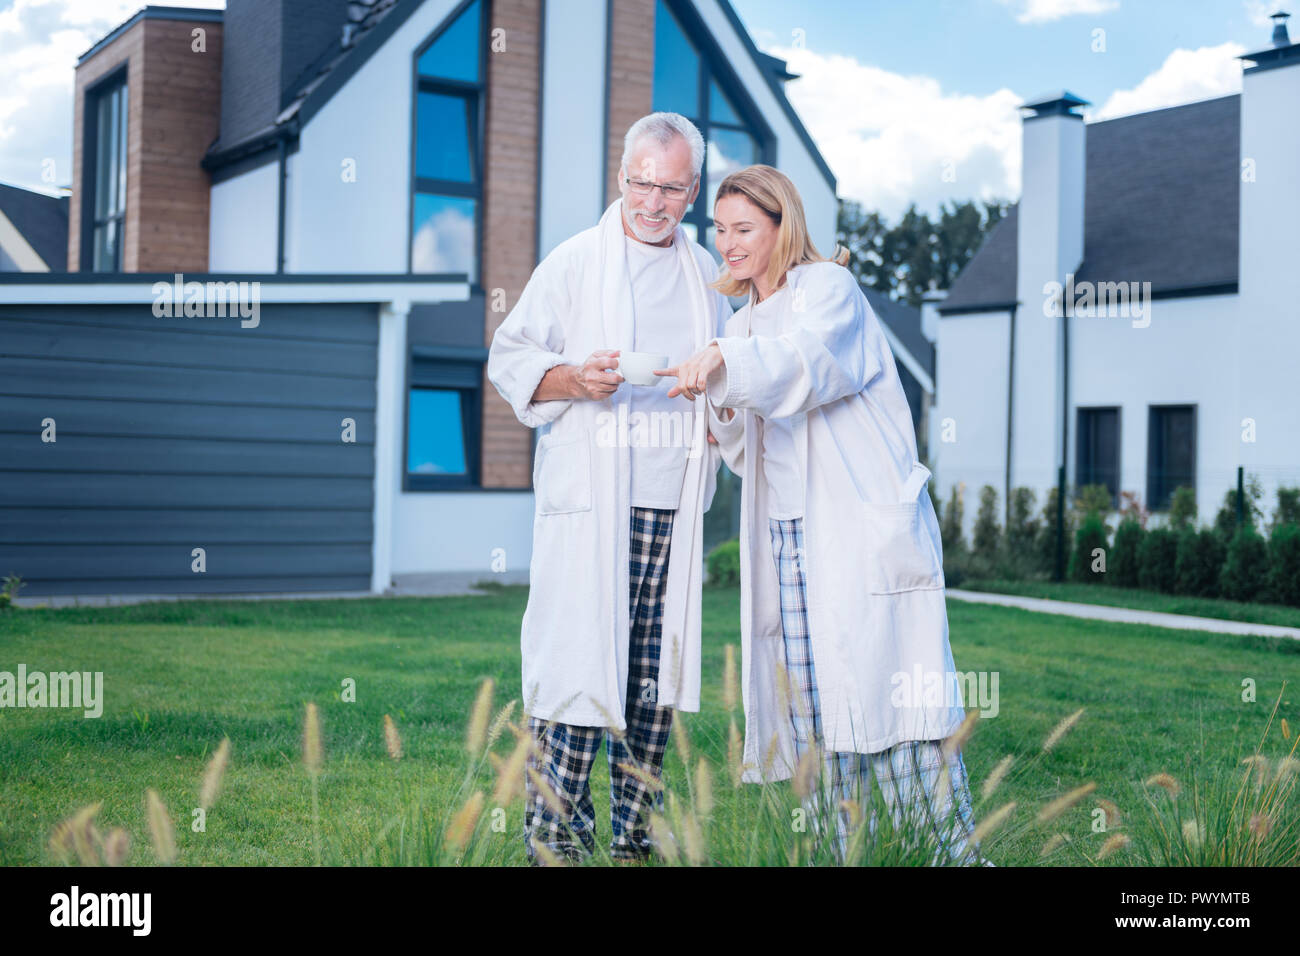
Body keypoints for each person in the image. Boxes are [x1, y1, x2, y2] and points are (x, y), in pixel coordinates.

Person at [658, 164, 986, 864]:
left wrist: (721, 358)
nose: (729, 243)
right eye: (720, 229)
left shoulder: (829, 292)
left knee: (895, 704)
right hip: (786, 538)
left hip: (856, 532)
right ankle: (844, 851)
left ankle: (946, 854)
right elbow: (749, 449)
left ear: (783, 227)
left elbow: (802, 367)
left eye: (744, 228)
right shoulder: (743, 321)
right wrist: (716, 401)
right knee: (813, 704)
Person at [486, 112, 728, 864]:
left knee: (650, 691)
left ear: (692, 191)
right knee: (577, 675)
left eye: (671, 188)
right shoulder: (573, 263)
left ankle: (635, 842)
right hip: (593, 508)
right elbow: (510, 358)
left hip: (672, 510)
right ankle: (554, 842)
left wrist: (715, 401)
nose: (653, 203)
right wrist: (575, 379)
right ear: (620, 177)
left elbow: (729, 378)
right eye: (641, 183)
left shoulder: (708, 280)